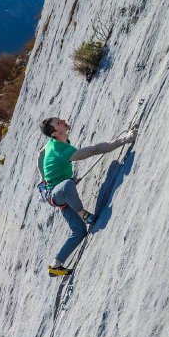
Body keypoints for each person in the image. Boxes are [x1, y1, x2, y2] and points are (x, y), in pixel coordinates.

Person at [39, 117, 136, 277]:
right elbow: (94, 150)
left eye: (59, 119)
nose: (62, 120)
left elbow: (40, 154)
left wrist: (43, 178)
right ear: (55, 133)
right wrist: (124, 139)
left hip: (63, 195)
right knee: (68, 185)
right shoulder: (59, 149)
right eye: (58, 123)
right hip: (57, 194)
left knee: (79, 232)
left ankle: (55, 266)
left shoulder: (52, 142)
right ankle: (83, 214)